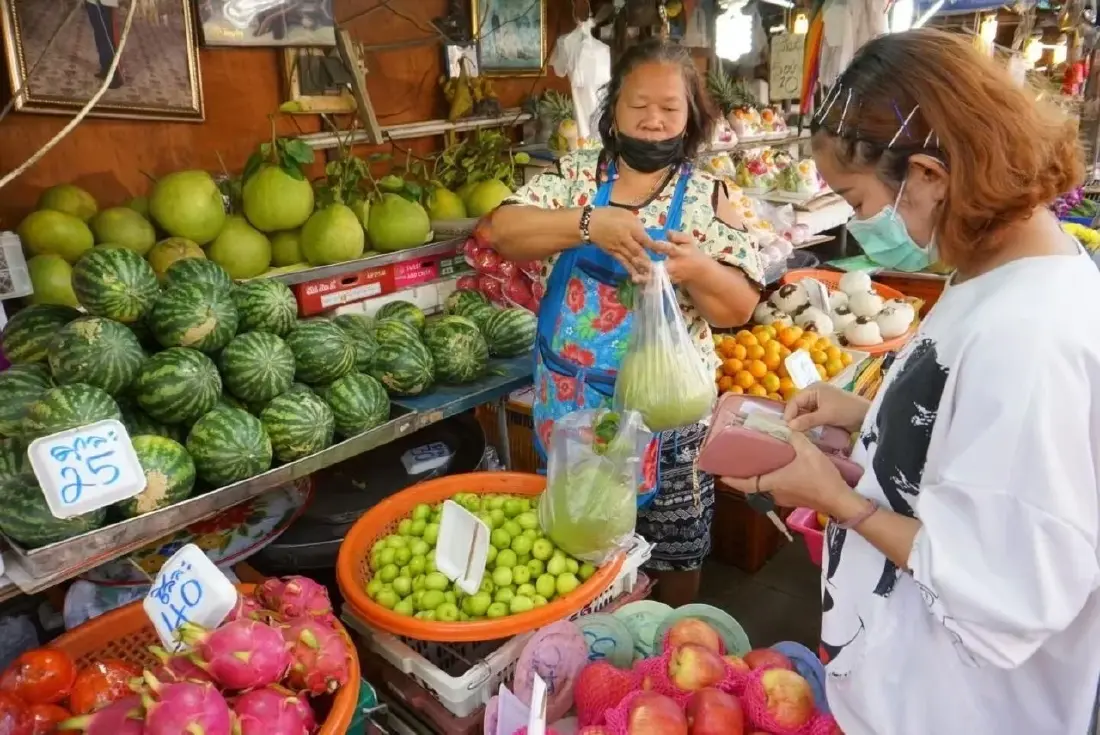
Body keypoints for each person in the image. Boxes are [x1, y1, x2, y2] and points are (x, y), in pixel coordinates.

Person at [723, 29, 1100, 733]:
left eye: (856, 200)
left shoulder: (1032, 339)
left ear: (928, 175)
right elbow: (978, 450)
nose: (858, 224)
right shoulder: (996, 272)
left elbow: (1006, 585)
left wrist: (836, 498)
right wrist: (870, 413)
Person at [484, 39, 763, 606]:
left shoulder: (711, 195)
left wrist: (699, 268)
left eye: (669, 107)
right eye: (639, 105)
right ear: (614, 110)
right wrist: (589, 224)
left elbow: (737, 311)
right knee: (577, 539)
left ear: (690, 117)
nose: (654, 120)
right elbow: (503, 231)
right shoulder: (577, 175)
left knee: (674, 547)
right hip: (573, 405)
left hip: (667, 415)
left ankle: (667, 639)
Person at [84, 0, 124, 89]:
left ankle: (115, 75)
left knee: (107, 37)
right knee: (99, 34)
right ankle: (105, 68)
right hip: (93, 2)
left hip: (104, 2)